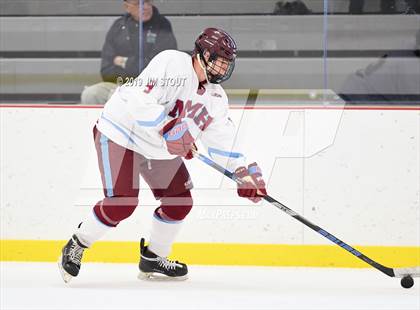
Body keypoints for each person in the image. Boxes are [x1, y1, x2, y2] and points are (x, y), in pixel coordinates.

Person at [59, 28, 268, 282]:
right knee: (122, 203)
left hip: (156, 149)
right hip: (121, 133)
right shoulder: (172, 63)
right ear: (201, 54)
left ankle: (153, 257)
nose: (223, 68)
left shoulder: (215, 98)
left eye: (227, 63)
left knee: (180, 201)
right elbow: (137, 99)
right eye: (218, 60)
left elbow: (222, 139)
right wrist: (167, 127)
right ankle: (78, 243)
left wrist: (241, 172)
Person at [81, 0, 177, 105]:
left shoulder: (162, 26)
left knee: (121, 100)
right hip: (120, 85)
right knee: (91, 94)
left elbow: (160, 65)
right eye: (138, 3)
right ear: (127, 7)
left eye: (147, 2)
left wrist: (124, 62)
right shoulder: (118, 26)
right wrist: (124, 83)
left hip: (151, 88)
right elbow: (106, 69)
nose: (145, 7)